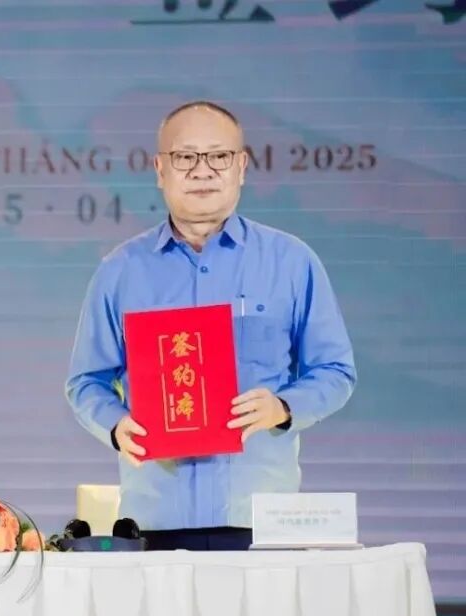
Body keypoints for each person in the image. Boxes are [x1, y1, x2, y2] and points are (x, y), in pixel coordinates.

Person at [65, 101, 356, 551]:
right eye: (185, 157)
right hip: (155, 519)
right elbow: (86, 381)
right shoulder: (120, 270)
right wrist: (116, 425)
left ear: (241, 166)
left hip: (260, 520)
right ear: (160, 169)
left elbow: (336, 371)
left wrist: (283, 407)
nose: (203, 170)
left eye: (218, 156)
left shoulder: (291, 262)